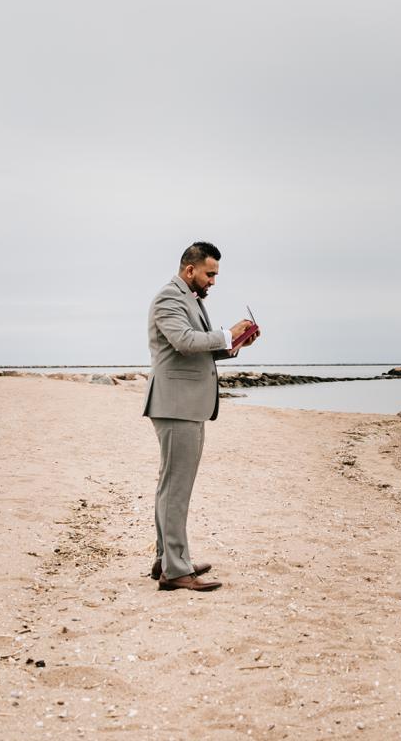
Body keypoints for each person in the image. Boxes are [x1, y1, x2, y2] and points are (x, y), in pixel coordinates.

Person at [142, 241, 259, 591]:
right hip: (177, 404)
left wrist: (235, 344)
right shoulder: (169, 297)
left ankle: (167, 560)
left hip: (182, 404)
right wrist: (226, 333)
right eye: (210, 274)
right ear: (189, 270)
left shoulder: (188, 300)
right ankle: (176, 571)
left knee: (170, 487)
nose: (213, 281)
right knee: (176, 489)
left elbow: (197, 351)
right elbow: (185, 341)